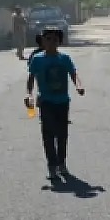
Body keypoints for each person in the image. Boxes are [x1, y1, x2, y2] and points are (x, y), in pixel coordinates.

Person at [26, 27, 84, 179]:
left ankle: (61, 163)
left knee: (62, 134)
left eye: (55, 39)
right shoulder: (37, 59)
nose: (52, 42)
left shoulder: (64, 58)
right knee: (48, 134)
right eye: (48, 39)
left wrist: (78, 85)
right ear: (43, 41)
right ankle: (52, 165)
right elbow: (31, 77)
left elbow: (73, 72)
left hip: (62, 101)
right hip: (45, 101)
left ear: (60, 42)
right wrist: (28, 94)